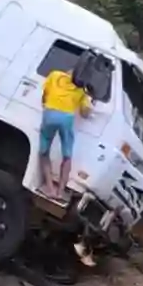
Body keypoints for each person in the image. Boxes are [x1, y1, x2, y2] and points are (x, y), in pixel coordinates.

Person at [38, 67, 92, 200]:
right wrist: (89, 101)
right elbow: (85, 114)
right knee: (67, 156)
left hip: (50, 113)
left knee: (44, 152)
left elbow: (44, 97)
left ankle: (50, 189)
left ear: (68, 72)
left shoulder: (54, 74)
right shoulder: (82, 89)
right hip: (67, 118)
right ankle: (60, 192)